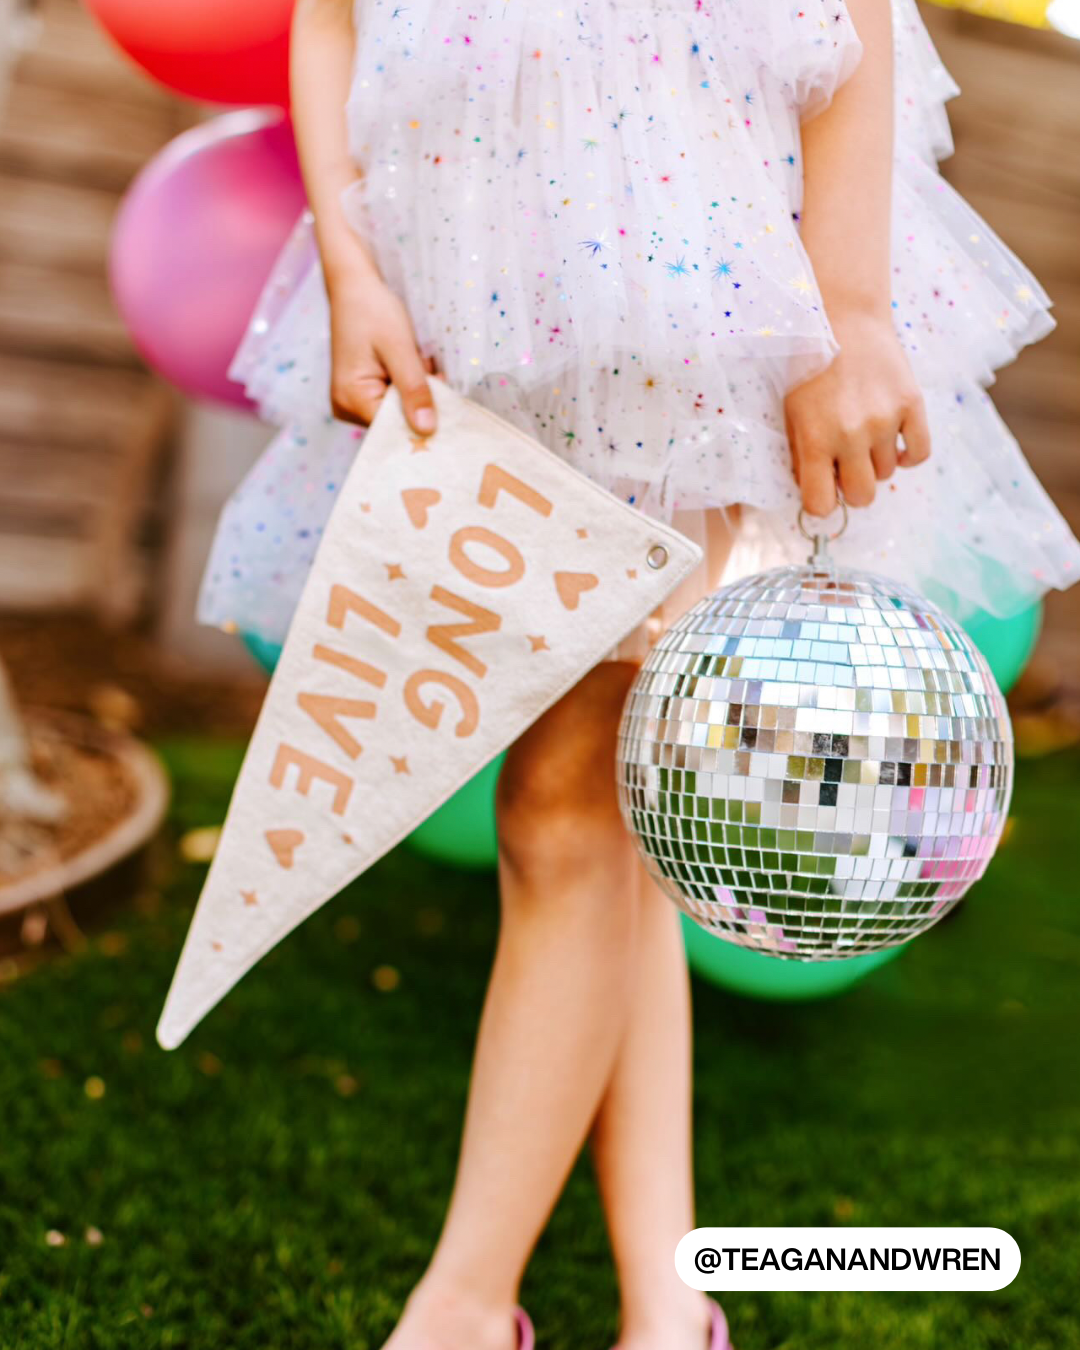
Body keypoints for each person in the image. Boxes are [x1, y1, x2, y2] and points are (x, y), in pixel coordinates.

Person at [199, 2, 1080, 1346]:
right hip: (476, 267)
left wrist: (843, 306)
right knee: (616, 813)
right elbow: (331, 12)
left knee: (564, 804)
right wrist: (351, 260)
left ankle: (463, 1306)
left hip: (689, 259)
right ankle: (668, 1300)